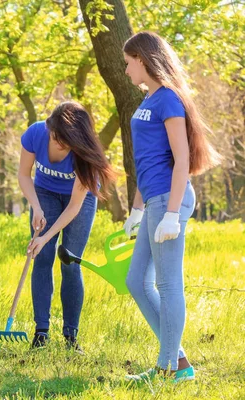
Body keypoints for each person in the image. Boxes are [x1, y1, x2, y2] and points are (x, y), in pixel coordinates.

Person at [122, 31, 220, 383]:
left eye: (128, 62)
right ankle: (177, 361)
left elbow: (182, 161)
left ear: (144, 59)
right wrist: (136, 209)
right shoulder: (146, 101)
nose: (126, 69)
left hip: (169, 199)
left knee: (167, 283)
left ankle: (167, 369)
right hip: (152, 200)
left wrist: (171, 214)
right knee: (136, 281)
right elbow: (144, 162)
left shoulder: (168, 100)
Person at [18, 101, 115, 351]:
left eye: (65, 140)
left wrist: (47, 234)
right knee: (42, 256)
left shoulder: (85, 156)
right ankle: (41, 333)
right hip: (44, 193)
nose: (58, 142)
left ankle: (71, 336)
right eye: (55, 136)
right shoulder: (35, 133)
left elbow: (74, 206)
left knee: (70, 261)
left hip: (79, 201)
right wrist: (37, 207)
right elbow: (23, 174)